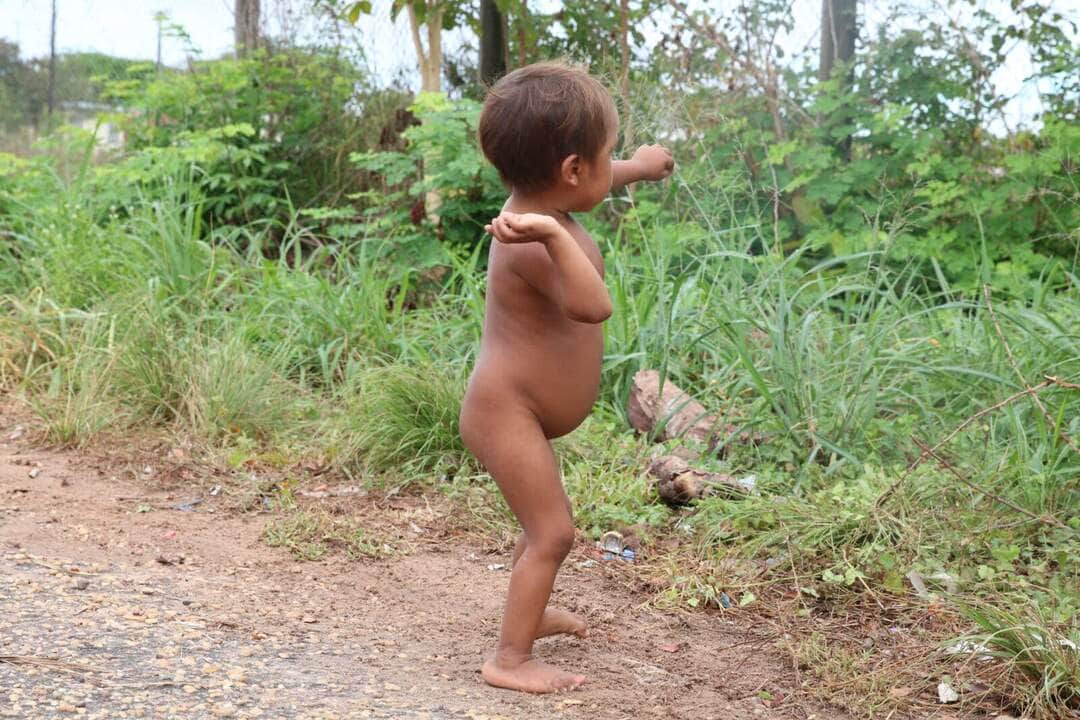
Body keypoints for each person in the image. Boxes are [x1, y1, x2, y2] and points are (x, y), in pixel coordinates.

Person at [459, 61, 675, 694]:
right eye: (610, 156)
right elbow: (593, 305)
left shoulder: (546, 202)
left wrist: (640, 166)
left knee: (542, 527)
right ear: (573, 169)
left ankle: (528, 614)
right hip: (505, 411)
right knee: (552, 532)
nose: (613, 168)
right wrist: (556, 237)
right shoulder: (531, 238)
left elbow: (594, 184)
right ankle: (509, 658)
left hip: (518, 409)